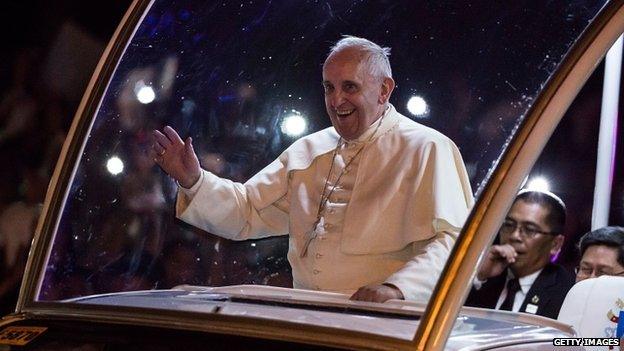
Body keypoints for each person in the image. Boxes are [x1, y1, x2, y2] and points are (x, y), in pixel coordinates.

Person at [152, 36, 473, 303]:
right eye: (328, 88)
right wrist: (194, 180)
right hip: (312, 318)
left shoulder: (427, 148)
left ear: (384, 90)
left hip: (387, 324)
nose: (336, 101)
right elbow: (247, 211)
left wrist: (397, 288)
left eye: (349, 87)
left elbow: (456, 242)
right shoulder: (310, 150)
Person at [465, 190, 574, 319]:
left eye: (529, 230)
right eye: (509, 225)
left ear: (555, 244)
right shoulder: (484, 278)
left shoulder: (567, 294)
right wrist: (479, 276)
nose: (514, 236)